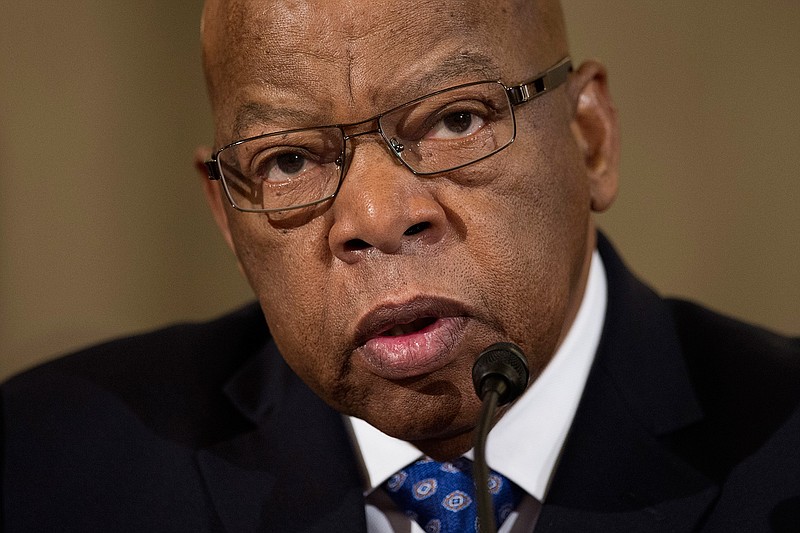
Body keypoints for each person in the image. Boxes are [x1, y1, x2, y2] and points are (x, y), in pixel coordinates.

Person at [2, 0, 798, 531]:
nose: (377, 219)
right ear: (229, 220)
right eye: (286, 163)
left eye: (457, 117)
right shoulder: (49, 467)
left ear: (590, 138)